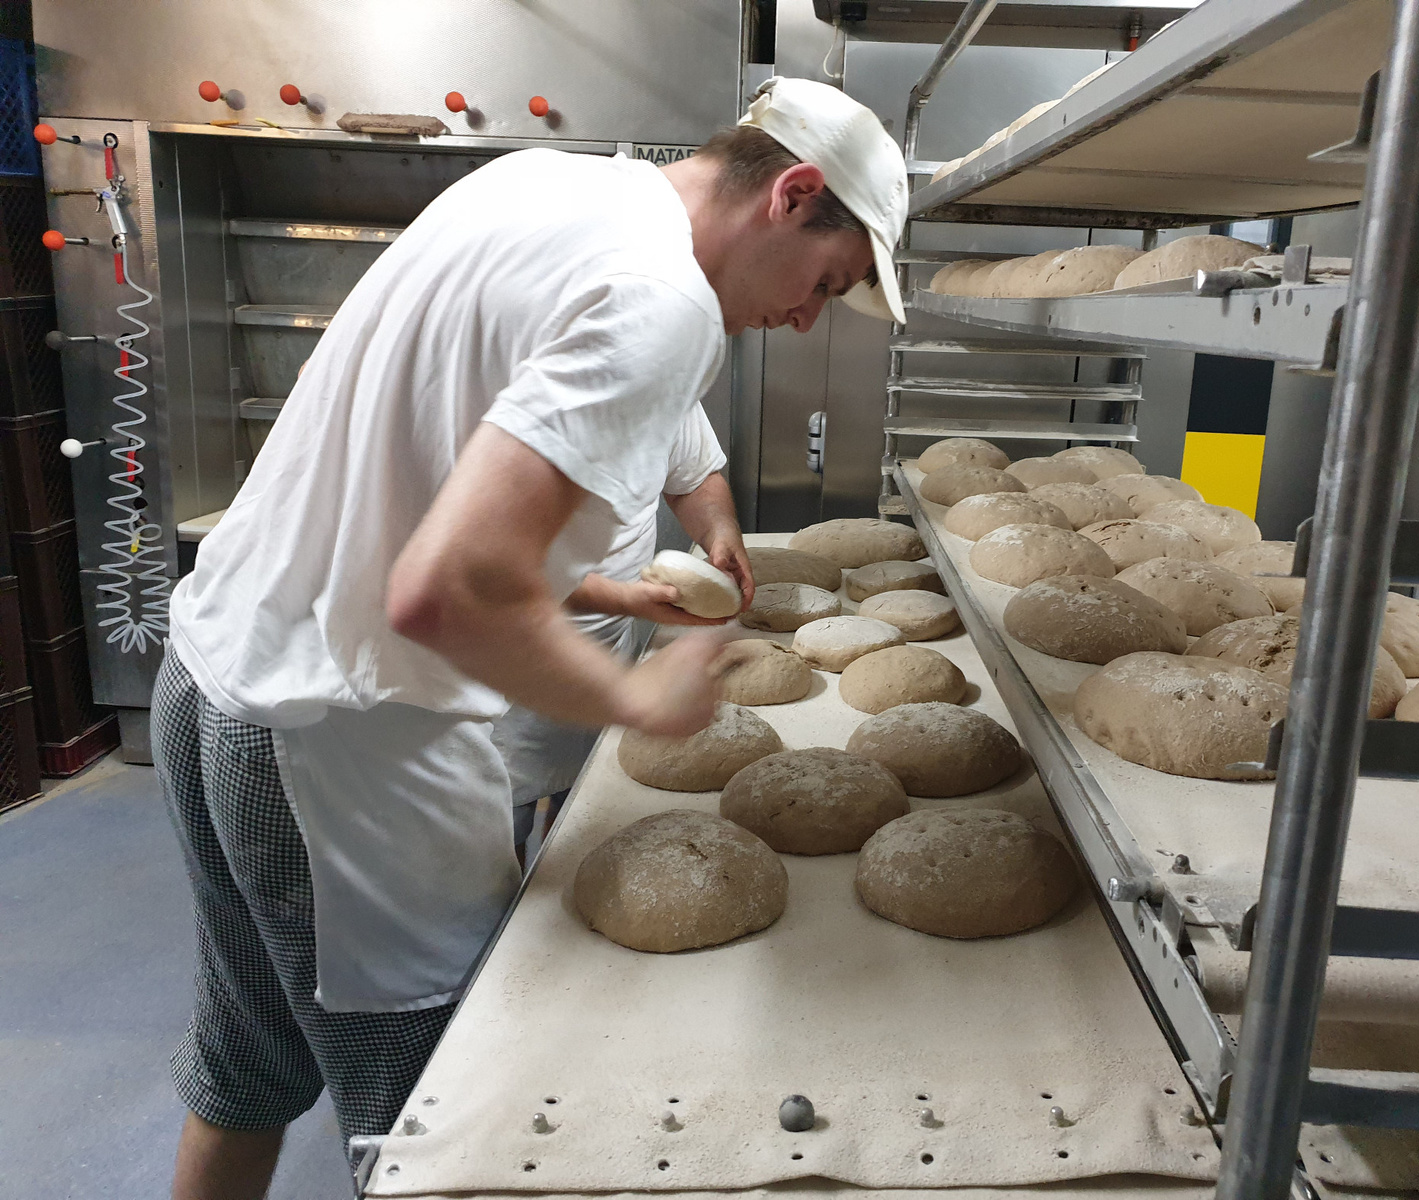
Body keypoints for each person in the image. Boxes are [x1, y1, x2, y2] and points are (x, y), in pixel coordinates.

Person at [151, 76, 908, 1200]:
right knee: (447, 1143)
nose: (805, 317)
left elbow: (483, 475)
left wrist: (652, 552)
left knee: (249, 1069)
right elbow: (442, 596)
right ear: (795, 196)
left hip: (215, 679)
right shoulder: (663, 298)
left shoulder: (546, 188)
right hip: (348, 757)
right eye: (826, 283)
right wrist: (641, 706)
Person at [494, 403, 743, 862]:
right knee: (491, 861)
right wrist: (622, 599)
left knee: (583, 822)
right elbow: (482, 568)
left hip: (610, 654)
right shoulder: (512, 389)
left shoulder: (666, 367)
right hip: (495, 677)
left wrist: (721, 531)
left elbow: (692, 477)